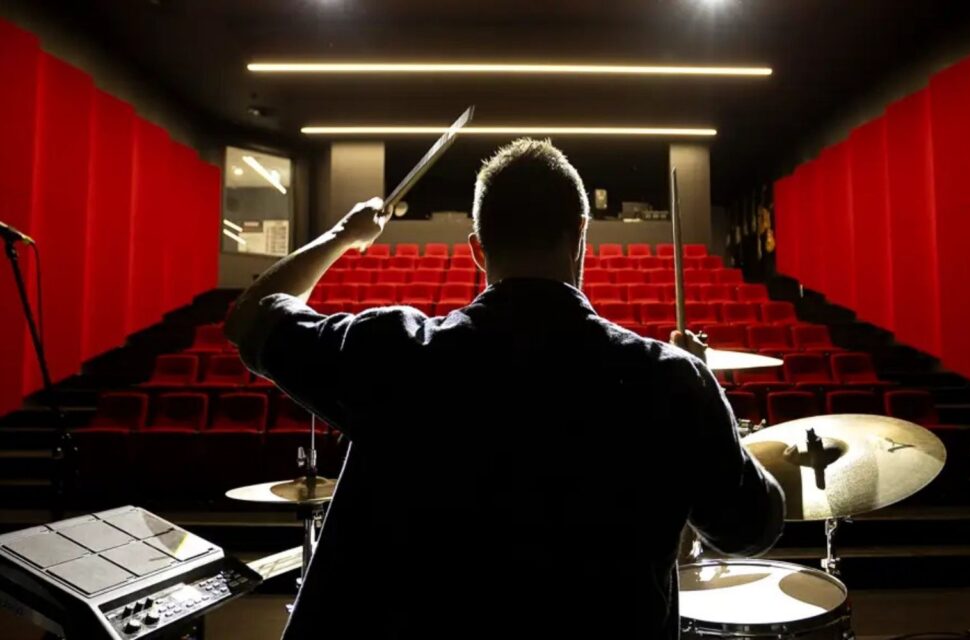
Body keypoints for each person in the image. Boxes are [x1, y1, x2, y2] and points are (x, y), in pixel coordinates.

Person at [225, 138, 784, 640]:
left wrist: (344, 236)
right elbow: (751, 529)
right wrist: (708, 401)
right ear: (580, 237)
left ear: (477, 248)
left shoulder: (394, 351)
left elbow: (251, 319)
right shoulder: (671, 380)